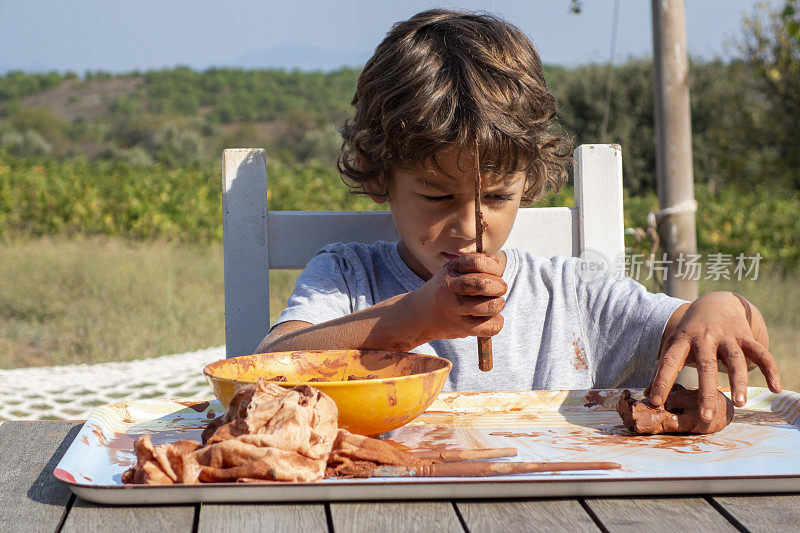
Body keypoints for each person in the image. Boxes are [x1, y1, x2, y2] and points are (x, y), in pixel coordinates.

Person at [258, 9, 781, 423]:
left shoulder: (572, 297)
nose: (469, 227)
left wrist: (721, 309)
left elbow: (722, 327)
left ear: (528, 182)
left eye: (497, 197)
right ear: (380, 178)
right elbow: (269, 368)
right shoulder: (349, 278)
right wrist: (415, 317)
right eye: (438, 198)